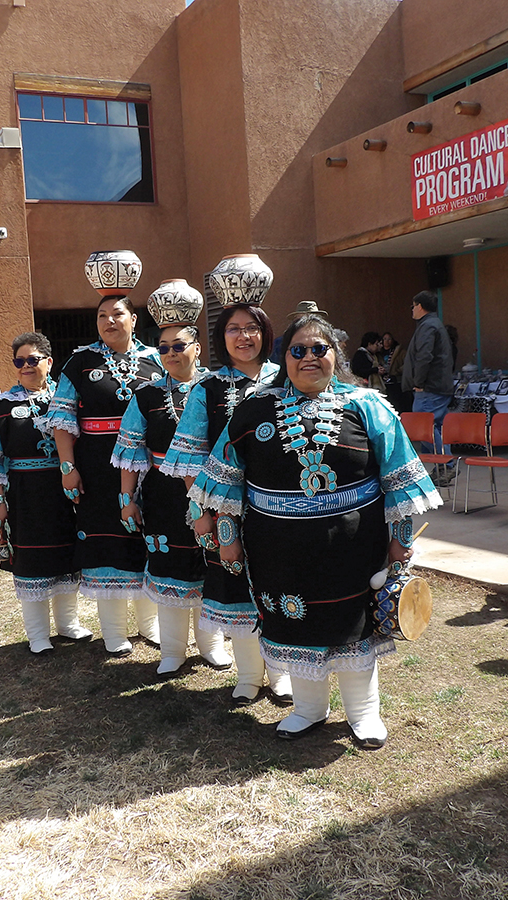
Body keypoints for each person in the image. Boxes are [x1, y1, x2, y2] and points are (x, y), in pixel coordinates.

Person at [191, 313, 441, 749]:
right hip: (277, 550)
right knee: (295, 624)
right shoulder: (253, 410)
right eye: (298, 350)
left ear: (335, 356)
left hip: (355, 548)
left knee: (353, 625)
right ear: (283, 357)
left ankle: (364, 716)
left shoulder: (369, 406)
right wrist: (227, 537)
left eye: (319, 349)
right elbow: (227, 480)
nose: (309, 357)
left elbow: (398, 483)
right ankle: (308, 710)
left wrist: (399, 544)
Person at [161, 302, 286, 703]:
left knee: (280, 582)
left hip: (282, 504)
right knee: (234, 585)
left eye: (252, 328)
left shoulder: (287, 380)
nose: (244, 336)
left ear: (266, 333)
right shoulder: (208, 388)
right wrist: (200, 511)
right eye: (234, 328)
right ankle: (249, 675)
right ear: (221, 337)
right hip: (224, 507)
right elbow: (187, 456)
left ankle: (282, 673)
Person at [113, 295, 229, 675]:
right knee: (170, 566)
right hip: (163, 494)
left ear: (197, 347)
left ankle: (212, 644)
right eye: (163, 347)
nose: (170, 353)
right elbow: (130, 451)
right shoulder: (145, 395)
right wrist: (127, 499)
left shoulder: (219, 390)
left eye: (179, 346)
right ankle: (173, 650)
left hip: (214, 491)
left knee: (214, 566)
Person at [47, 291, 165, 655]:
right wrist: (68, 467)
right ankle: (114, 631)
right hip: (97, 469)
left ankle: (150, 624)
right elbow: (62, 418)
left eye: (117, 314)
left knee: (149, 538)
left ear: (133, 320)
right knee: (105, 541)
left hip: (149, 467)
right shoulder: (80, 361)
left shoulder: (157, 360)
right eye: (101, 316)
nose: (109, 321)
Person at [0, 332, 92, 655]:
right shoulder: (2, 406)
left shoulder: (65, 402)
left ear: (49, 363)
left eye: (32, 360)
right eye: (19, 361)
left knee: (66, 557)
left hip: (63, 492)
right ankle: (38, 635)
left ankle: (67, 624)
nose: (25, 366)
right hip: (23, 495)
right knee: (31, 561)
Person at [401, 291, 455, 485]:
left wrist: (419, 382)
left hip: (429, 387)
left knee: (424, 427)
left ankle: (446, 464)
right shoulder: (433, 324)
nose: (412, 310)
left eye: (413, 306)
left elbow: (425, 356)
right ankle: (440, 466)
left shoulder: (428, 326)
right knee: (436, 426)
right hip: (436, 385)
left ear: (420, 306)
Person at [379, 332, 407, 412]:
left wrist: (396, 371)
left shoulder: (400, 351)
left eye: (389, 339)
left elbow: (406, 364)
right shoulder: (379, 352)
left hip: (396, 381)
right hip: (383, 381)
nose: (387, 341)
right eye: (384, 339)